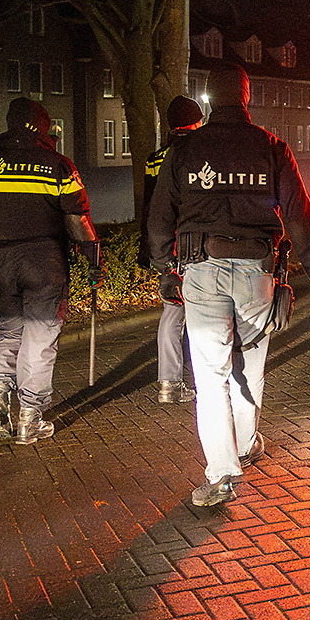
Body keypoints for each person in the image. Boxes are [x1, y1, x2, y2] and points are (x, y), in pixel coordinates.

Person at [147, 65, 310, 507]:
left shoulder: (186, 149)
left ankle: (222, 472)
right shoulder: (271, 146)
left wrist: (165, 267)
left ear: (208, 97)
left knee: (211, 375)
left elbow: (160, 216)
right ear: (247, 96)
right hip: (257, 270)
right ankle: (244, 443)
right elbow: (299, 215)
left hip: (201, 269)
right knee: (251, 362)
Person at [0, 97, 103, 444]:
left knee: (10, 330)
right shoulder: (58, 165)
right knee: (39, 337)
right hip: (43, 263)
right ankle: (30, 416)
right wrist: (95, 261)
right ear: (43, 128)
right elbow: (77, 221)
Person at [139, 95, 204, 404]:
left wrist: (150, 251)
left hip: (167, 246)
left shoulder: (155, 159)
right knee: (205, 311)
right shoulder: (199, 153)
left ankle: (168, 381)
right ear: (197, 122)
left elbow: (149, 208)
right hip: (197, 243)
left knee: (172, 310)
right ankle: (209, 377)